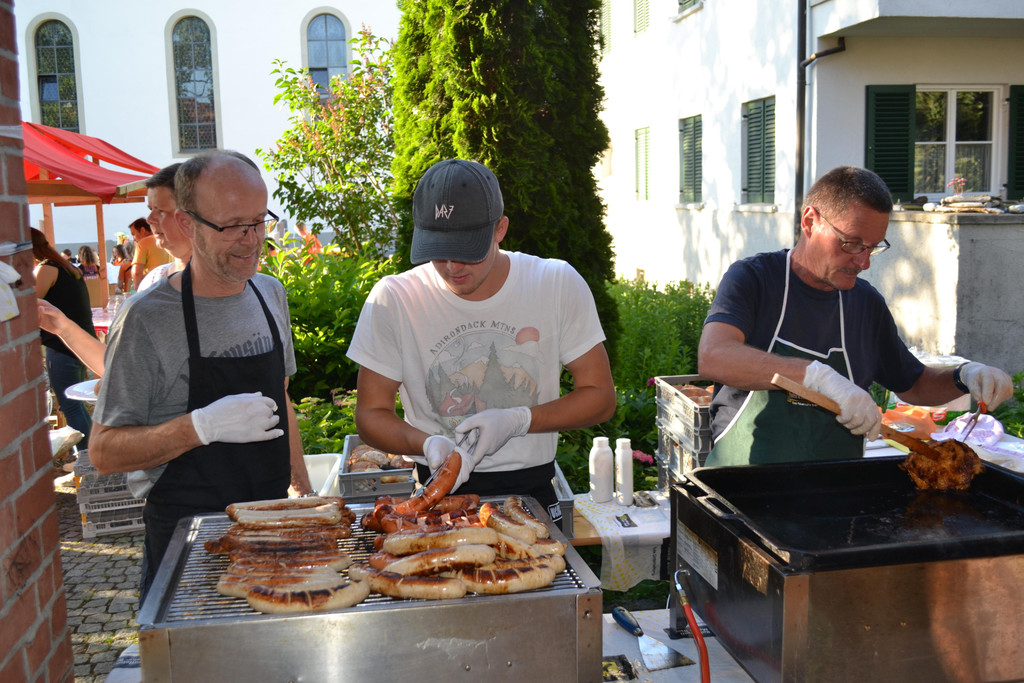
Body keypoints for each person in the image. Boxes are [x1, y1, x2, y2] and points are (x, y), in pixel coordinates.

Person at [90, 151, 312, 601]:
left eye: (259, 221)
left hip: (271, 530)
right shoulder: (146, 319)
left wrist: (303, 493)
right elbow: (104, 452)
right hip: (189, 543)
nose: (252, 240)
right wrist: (200, 427)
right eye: (232, 226)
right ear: (187, 223)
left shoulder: (270, 294)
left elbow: (282, 400)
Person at [346, 158, 616, 522]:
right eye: (438, 251)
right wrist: (425, 443)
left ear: (500, 228)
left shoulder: (554, 283)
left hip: (531, 494)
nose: (452, 266)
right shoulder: (394, 298)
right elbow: (370, 414)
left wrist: (519, 420)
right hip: (435, 498)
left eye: (467, 250)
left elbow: (600, 397)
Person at [697, 165, 1014, 466]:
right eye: (851, 243)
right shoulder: (755, 279)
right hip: (742, 487)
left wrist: (965, 375)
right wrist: (818, 377)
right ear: (810, 222)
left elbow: (914, 384)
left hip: (838, 488)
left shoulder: (866, 303)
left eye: (873, 247)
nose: (864, 263)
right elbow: (714, 356)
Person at [37, 163, 189, 377]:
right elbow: (122, 369)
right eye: (150, 210)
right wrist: (62, 327)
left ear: (193, 216)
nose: (150, 220)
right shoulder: (154, 281)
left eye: (161, 210)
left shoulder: (234, 287)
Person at [31, 228, 97, 448]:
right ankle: (91, 452)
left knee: (70, 407)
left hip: (62, 347)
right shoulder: (66, 267)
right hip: (78, 346)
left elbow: (28, 304)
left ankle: (87, 456)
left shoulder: (46, 269)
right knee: (76, 405)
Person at [128, 216, 171, 292]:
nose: (133, 239)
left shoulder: (143, 243)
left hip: (151, 287)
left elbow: (137, 272)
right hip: (169, 285)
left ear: (142, 230)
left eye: (133, 234)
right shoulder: (166, 240)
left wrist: (138, 289)